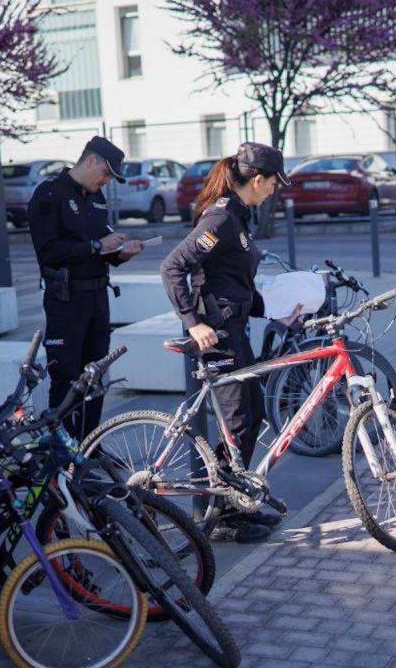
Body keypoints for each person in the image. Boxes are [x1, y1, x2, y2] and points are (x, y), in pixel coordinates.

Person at [160, 142, 290, 543]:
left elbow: (231, 281)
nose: (274, 191)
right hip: (216, 337)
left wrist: (275, 308)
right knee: (237, 421)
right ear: (256, 179)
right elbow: (172, 267)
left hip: (234, 330)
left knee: (250, 415)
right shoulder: (220, 218)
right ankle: (225, 516)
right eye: (272, 183)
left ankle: (233, 504)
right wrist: (192, 322)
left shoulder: (238, 216)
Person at [28, 136, 144, 436]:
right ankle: (62, 449)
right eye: (106, 173)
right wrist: (95, 246)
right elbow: (49, 251)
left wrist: (121, 252)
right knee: (66, 376)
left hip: (97, 296)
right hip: (66, 300)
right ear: (90, 160)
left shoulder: (96, 198)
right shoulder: (50, 193)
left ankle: (91, 445)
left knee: (97, 376)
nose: (106, 181)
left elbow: (103, 247)